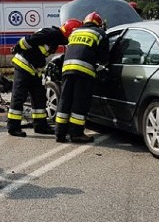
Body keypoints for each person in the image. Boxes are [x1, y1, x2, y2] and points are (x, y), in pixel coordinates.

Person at [7, 18, 83, 137]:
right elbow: (28, 40)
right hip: (23, 65)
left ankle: (40, 126)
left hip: (34, 69)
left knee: (39, 97)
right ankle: (13, 127)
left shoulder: (57, 37)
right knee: (19, 96)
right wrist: (16, 47)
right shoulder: (50, 33)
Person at [54, 11, 109, 143]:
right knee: (79, 102)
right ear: (99, 24)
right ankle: (76, 134)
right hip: (84, 71)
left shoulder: (75, 32)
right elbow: (104, 58)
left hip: (67, 69)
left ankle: (60, 133)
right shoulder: (100, 34)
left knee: (65, 100)